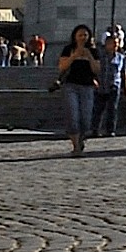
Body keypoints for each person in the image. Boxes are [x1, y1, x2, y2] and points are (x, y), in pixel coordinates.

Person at [53, 25, 98, 157]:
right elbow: (62, 67)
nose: (83, 37)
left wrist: (89, 56)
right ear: (75, 36)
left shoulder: (93, 51)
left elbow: (97, 70)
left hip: (87, 86)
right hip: (70, 85)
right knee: (72, 115)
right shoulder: (68, 49)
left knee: (86, 117)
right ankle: (76, 146)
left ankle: (81, 137)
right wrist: (73, 56)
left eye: (85, 35)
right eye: (80, 35)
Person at [92, 30, 126, 138]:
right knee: (98, 109)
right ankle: (95, 129)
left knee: (112, 109)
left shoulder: (121, 57)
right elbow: (94, 69)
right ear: (107, 44)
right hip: (101, 85)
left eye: (117, 43)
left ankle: (110, 130)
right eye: (112, 43)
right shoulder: (100, 56)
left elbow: (123, 73)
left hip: (114, 85)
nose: (115, 45)